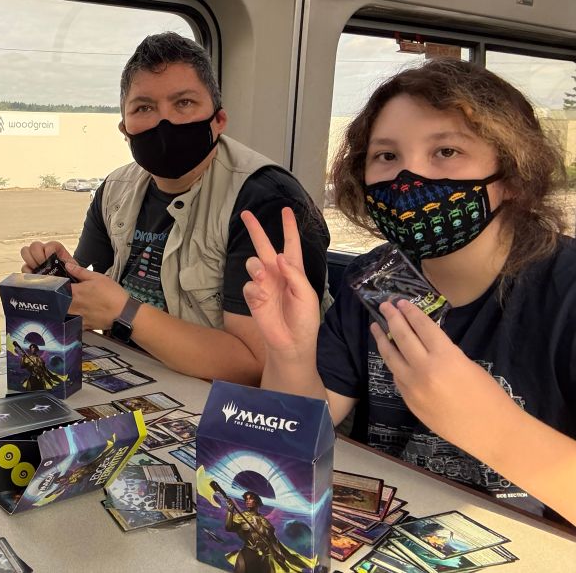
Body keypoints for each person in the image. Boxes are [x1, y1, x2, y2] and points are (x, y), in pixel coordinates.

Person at [241, 59, 576, 525]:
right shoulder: (373, 279)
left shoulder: (566, 293)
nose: (408, 177)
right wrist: (290, 350)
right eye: (387, 156)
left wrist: (494, 428)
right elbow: (295, 439)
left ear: (513, 176)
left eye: (446, 152)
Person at [21, 33, 329, 383]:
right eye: (144, 108)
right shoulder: (114, 190)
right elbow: (88, 301)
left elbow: (260, 366)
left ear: (219, 120)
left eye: (183, 103)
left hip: (224, 407)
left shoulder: (266, 201)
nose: (163, 123)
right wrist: (62, 278)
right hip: (133, 379)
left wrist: (124, 312)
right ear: (125, 128)